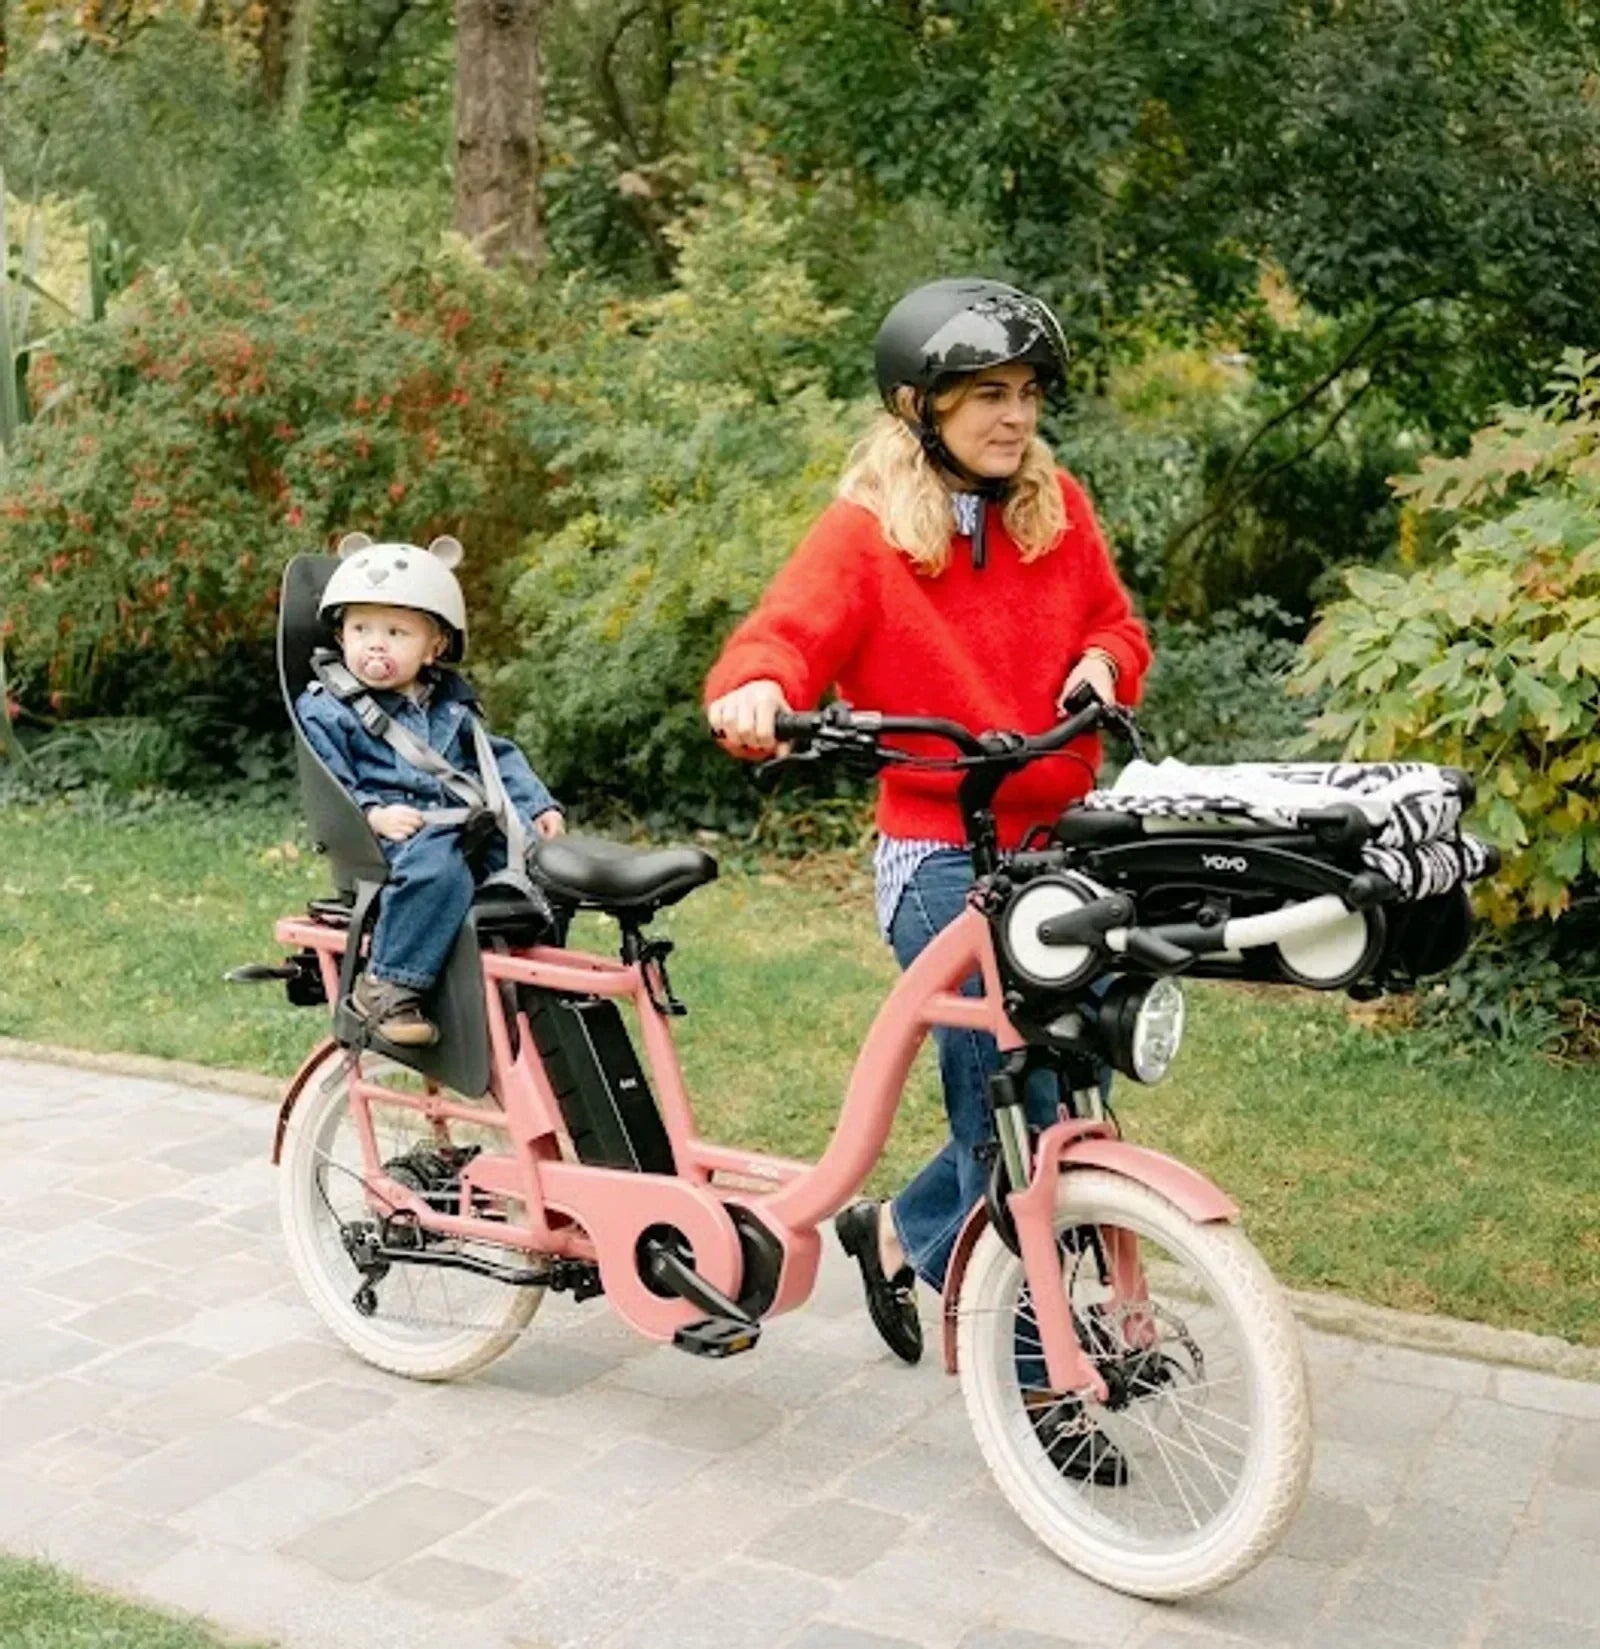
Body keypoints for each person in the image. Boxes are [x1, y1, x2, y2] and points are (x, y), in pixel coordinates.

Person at [705, 277, 1151, 1373]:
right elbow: (777, 639)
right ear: (920, 407)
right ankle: (1044, 1377)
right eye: (985, 394)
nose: (1014, 416)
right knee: (1015, 1087)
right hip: (939, 850)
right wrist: (756, 693)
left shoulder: (1060, 507)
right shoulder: (866, 535)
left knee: (1080, 1061)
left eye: (1028, 393)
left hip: (1054, 845)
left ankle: (904, 1230)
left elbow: (1114, 621)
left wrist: (1104, 660)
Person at [297, 533, 565, 1047]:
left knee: (540, 868)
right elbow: (330, 779)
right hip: (390, 837)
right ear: (340, 634)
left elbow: (496, 759)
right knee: (437, 866)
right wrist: (371, 814)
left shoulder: (447, 706)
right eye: (360, 628)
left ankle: (525, 983)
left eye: (396, 632)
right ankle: (388, 985)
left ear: (434, 647)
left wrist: (536, 805)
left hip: (459, 827)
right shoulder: (329, 707)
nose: (375, 643)